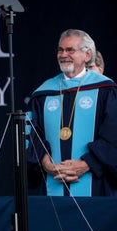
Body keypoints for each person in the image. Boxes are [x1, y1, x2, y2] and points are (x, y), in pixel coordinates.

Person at [26, 29, 117, 196]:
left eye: (70, 50)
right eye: (60, 50)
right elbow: (32, 134)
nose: (63, 54)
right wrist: (46, 164)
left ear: (87, 55)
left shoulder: (106, 90)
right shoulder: (43, 93)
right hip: (52, 183)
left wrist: (87, 164)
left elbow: (113, 136)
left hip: (94, 187)